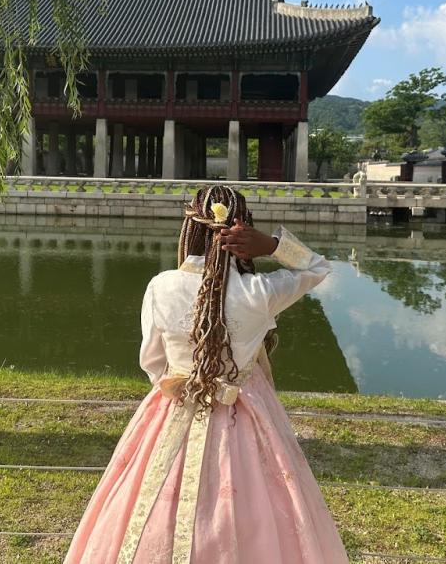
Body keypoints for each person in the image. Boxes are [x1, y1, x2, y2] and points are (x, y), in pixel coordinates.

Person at [65, 185, 349, 564]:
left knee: (147, 507)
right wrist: (271, 245)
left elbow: (152, 363)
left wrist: (186, 381)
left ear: (189, 229)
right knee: (257, 510)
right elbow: (318, 267)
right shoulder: (260, 291)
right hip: (247, 415)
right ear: (243, 232)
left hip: (174, 407)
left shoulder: (161, 286)